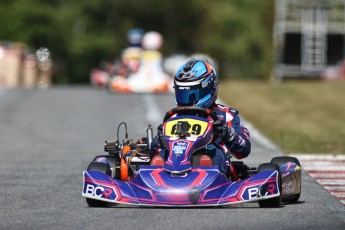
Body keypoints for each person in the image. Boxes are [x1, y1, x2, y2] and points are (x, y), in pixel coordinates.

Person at [150, 58, 251, 176]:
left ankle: (207, 177)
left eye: (191, 95)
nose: (186, 100)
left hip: (215, 164)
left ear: (209, 88)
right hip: (177, 161)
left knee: (214, 155)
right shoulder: (174, 117)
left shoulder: (226, 115)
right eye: (183, 94)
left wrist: (226, 132)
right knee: (160, 156)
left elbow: (244, 149)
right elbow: (152, 150)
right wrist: (159, 140)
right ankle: (157, 179)